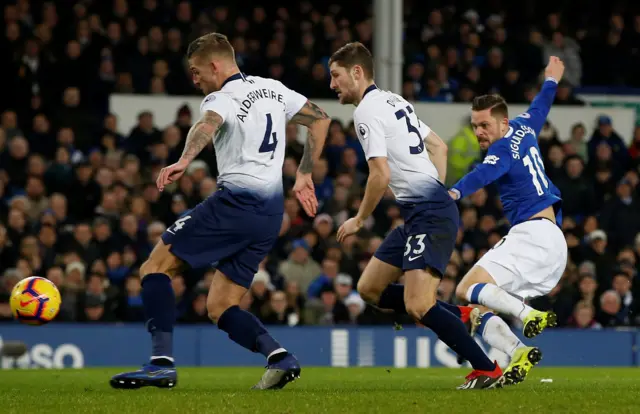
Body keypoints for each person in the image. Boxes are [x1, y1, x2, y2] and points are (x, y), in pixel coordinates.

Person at [110, 33, 330, 390]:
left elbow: (206, 124)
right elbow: (320, 119)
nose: (194, 80)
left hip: (237, 204)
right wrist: (304, 172)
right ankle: (280, 357)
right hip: (271, 214)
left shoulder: (221, 97)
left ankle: (160, 364)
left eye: (196, 72)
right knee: (220, 306)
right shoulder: (273, 88)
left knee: (154, 266)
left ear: (214, 65)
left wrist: (184, 159)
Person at [326, 42, 502, 389]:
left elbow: (380, 175)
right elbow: (440, 146)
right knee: (370, 288)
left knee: (418, 305)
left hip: (429, 213)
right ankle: (460, 316)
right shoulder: (395, 100)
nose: (332, 85)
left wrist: (359, 219)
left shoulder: (365, 112)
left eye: (336, 76)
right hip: (421, 212)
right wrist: (432, 187)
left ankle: (487, 369)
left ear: (356, 72)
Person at [449, 57, 568, 386]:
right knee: (480, 300)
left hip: (531, 234)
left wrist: (455, 193)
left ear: (502, 124)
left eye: (484, 126)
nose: (479, 132)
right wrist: (552, 80)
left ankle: (529, 315)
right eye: (475, 126)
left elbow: (484, 173)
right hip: (554, 241)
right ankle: (512, 355)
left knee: (465, 287)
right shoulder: (526, 125)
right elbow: (541, 105)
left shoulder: (501, 150)